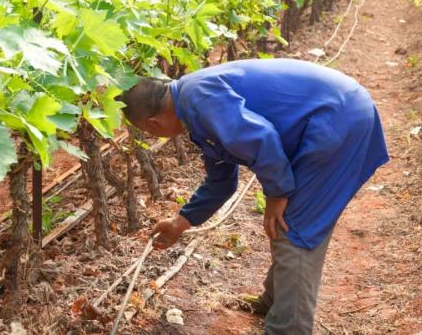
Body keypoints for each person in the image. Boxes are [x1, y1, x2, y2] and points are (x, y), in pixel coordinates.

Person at [119, 58, 389, 334]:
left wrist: (277, 192)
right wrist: (181, 221)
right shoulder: (192, 101)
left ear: (153, 124)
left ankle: (288, 328)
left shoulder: (199, 99)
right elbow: (220, 182)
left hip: (338, 119)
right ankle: (275, 302)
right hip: (337, 112)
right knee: (288, 222)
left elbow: (262, 138)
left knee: (294, 228)